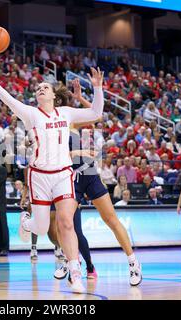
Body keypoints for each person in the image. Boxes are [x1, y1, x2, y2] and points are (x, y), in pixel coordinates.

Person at [0, 66, 104, 293]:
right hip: (40, 177)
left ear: (54, 95)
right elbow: (7, 99)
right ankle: (27, 221)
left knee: (66, 222)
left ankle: (75, 273)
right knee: (43, 227)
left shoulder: (66, 113)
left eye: (45, 87)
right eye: (38, 88)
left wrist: (97, 88)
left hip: (64, 174)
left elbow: (95, 113)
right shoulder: (30, 114)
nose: (41, 89)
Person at [51, 79, 141, 284]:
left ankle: (133, 263)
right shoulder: (48, 126)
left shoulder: (70, 120)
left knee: (111, 220)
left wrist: (81, 97)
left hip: (88, 172)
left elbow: (95, 113)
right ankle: (71, 262)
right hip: (69, 178)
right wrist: (77, 151)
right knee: (64, 224)